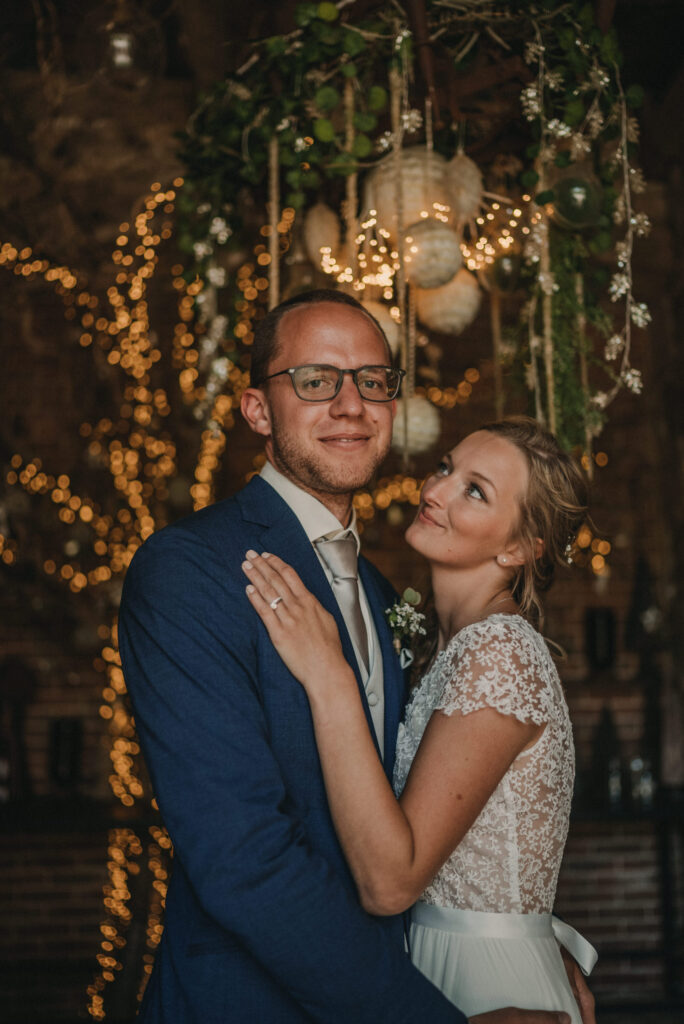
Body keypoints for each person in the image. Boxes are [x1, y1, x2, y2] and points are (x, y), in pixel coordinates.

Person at [119, 288, 590, 1023]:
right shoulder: (191, 570)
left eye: (372, 380)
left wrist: (526, 943)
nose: (350, 404)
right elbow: (246, 860)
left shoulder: (378, 590)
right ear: (256, 411)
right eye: (315, 380)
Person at [242, 414, 598, 1022]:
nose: (434, 492)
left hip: (487, 984)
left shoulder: (500, 654)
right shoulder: (447, 644)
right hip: (423, 966)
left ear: (517, 547)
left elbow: (391, 882)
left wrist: (330, 677)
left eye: (475, 490)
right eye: (445, 469)